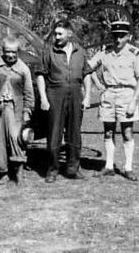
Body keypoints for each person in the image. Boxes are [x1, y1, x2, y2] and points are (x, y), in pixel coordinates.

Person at [88, 21, 139, 181]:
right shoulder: (105, 52)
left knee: (127, 132)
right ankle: (109, 166)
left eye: (122, 36)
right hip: (109, 95)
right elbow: (88, 68)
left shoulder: (135, 53)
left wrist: (134, 101)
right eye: (115, 36)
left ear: (129, 36)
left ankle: (128, 167)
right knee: (108, 131)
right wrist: (99, 85)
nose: (118, 40)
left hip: (127, 94)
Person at [35, 19, 93, 183]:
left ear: (70, 33)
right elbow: (40, 75)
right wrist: (44, 98)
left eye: (60, 34)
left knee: (74, 132)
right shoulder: (49, 51)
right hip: (55, 94)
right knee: (54, 132)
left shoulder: (80, 51)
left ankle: (73, 168)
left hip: (75, 94)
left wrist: (87, 96)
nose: (56, 37)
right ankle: (52, 169)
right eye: (55, 33)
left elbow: (87, 74)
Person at [0, 37, 34, 184]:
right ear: (2, 51)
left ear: (18, 52)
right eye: (7, 52)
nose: (10, 55)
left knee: (15, 137)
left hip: (15, 108)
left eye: (14, 52)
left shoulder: (24, 69)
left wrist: (27, 111)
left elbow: (29, 92)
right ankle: (2, 171)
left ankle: (19, 170)